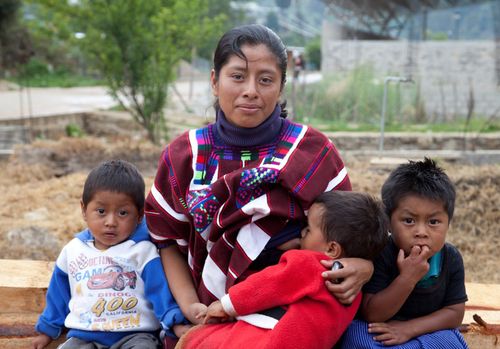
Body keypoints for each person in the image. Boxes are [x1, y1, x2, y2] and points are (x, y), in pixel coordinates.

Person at [144, 24, 373, 346]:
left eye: (266, 79)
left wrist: (363, 266)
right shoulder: (184, 156)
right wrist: (190, 307)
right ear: (214, 81)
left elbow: (348, 231)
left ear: (280, 89)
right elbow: (167, 240)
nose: (251, 90)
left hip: (296, 315)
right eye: (237, 76)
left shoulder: (313, 152)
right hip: (209, 310)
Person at [174, 190, 389, 349]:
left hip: (266, 339)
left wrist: (225, 305)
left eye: (307, 229)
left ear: (332, 249)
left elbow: (269, 283)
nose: (301, 234)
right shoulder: (354, 292)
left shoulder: (311, 264)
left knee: (200, 341)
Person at [31, 160, 186, 349]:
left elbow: (159, 291)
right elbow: (58, 295)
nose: (111, 222)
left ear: (139, 216)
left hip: (136, 335)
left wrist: (174, 321)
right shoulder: (72, 250)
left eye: (122, 213)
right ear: (84, 210)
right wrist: (47, 330)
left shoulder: (142, 250)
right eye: (101, 211)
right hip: (84, 336)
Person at [340, 158, 469, 349]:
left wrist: (409, 329)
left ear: (448, 223)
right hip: (380, 330)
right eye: (409, 220)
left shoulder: (451, 258)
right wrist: (407, 278)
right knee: (356, 336)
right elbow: (371, 313)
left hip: (427, 330)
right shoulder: (381, 253)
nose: (421, 232)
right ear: (388, 223)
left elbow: (454, 312)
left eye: (433, 222)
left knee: (451, 343)